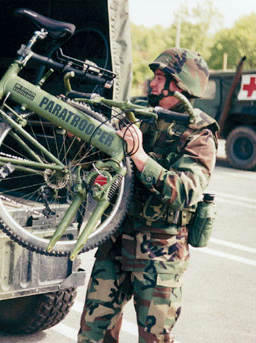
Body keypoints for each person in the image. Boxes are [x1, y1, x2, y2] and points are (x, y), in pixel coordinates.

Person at [78, 48, 219, 343]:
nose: (152, 83)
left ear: (180, 85)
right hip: (116, 243)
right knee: (93, 334)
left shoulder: (200, 133)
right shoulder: (141, 115)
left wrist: (140, 156)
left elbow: (186, 190)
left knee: (154, 338)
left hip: (159, 252)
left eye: (159, 77)